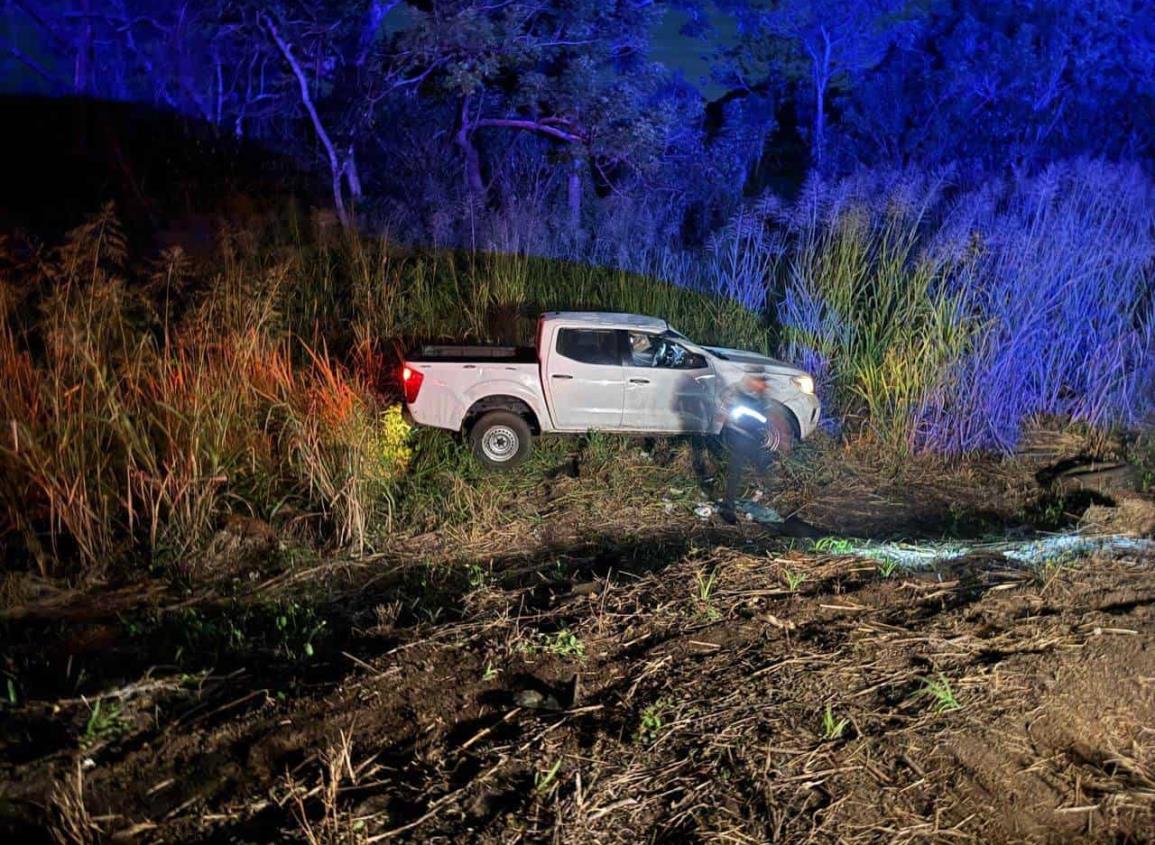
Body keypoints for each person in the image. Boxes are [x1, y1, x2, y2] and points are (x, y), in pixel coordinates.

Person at [715, 374, 795, 523]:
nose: (764, 386)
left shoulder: (763, 399)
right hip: (739, 437)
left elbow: (774, 416)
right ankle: (728, 507)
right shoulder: (741, 394)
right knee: (736, 471)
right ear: (754, 382)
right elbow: (727, 409)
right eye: (761, 383)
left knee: (763, 466)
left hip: (753, 438)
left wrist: (783, 438)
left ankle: (772, 497)